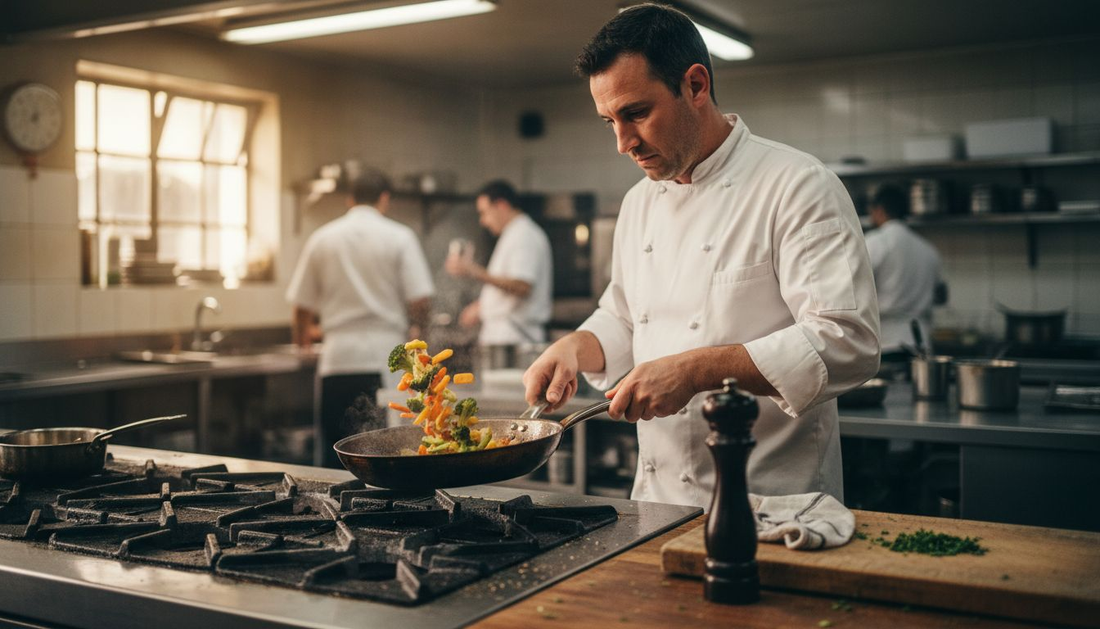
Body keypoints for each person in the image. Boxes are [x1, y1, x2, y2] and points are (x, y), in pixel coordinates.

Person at [522, 4, 880, 508]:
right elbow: (624, 317)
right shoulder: (639, 202)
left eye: (637, 113)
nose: (624, 143)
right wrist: (575, 349)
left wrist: (695, 370)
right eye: (609, 122)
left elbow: (847, 341)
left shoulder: (797, 185)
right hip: (657, 504)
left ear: (695, 85)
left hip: (773, 505)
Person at [286, 169, 434, 467]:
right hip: (385, 358)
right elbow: (421, 300)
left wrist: (302, 340)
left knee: (335, 457)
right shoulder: (400, 236)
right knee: (386, 456)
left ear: (349, 199)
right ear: (385, 199)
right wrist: (418, 330)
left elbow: (302, 307)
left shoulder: (322, 238)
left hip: (337, 360)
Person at [445, 180, 553, 346]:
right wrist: (481, 306)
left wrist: (473, 270)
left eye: (484, 212)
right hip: (505, 336)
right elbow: (509, 288)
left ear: (502, 205)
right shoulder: (512, 234)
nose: (482, 221)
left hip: (515, 338)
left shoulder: (524, 235)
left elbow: (522, 285)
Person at [864, 184, 947, 360]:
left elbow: (855, 287)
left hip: (886, 343)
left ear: (879, 210)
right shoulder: (928, 249)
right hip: (920, 343)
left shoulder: (874, 243)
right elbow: (941, 296)